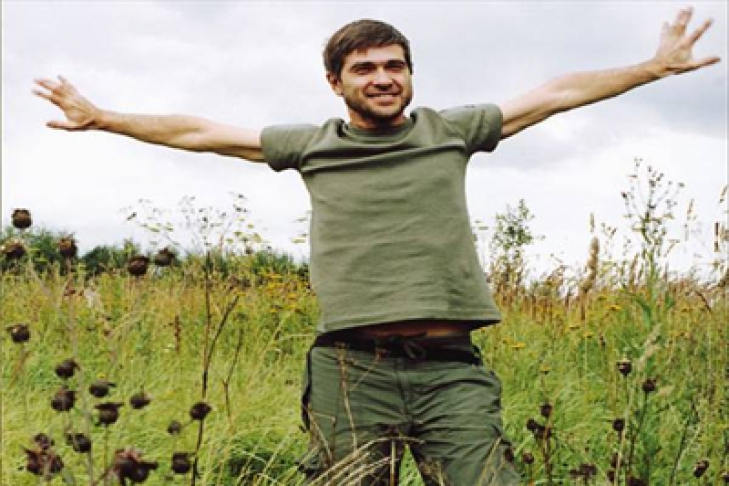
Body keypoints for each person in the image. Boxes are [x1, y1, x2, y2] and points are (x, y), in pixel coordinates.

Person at [34, 8, 719, 485]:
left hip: (451, 370)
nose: (383, 78)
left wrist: (651, 68)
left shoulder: (450, 132)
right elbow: (200, 132)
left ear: (411, 75)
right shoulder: (312, 146)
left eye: (395, 66)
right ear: (336, 83)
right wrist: (104, 118)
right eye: (364, 68)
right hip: (350, 371)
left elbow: (554, 94)